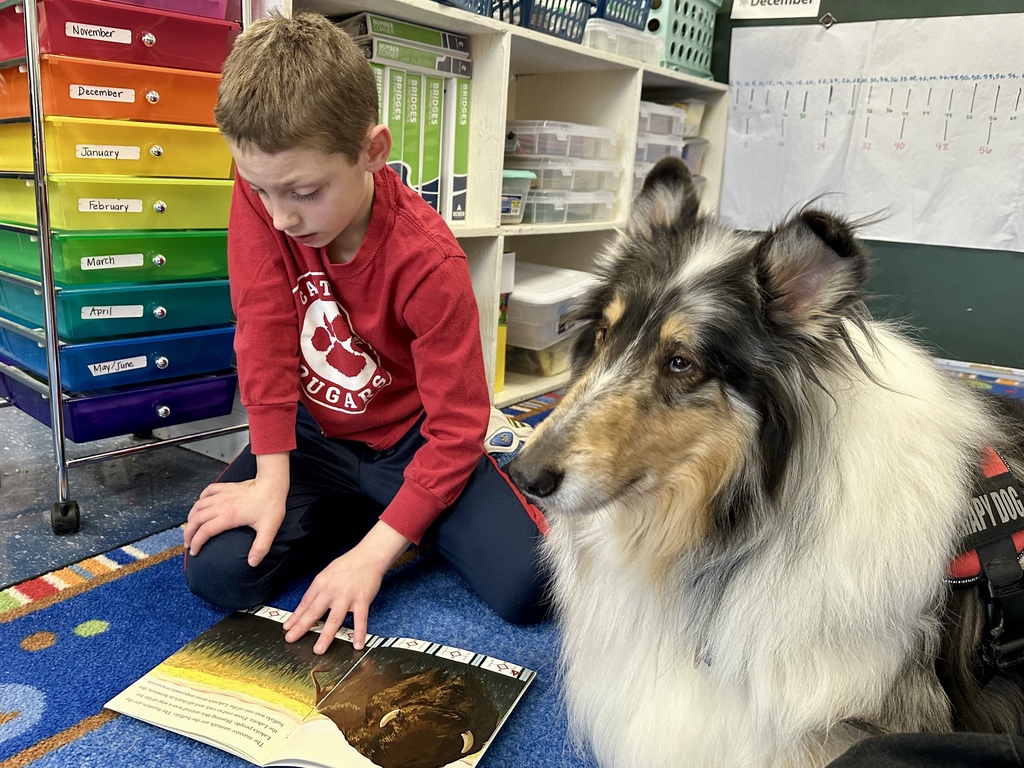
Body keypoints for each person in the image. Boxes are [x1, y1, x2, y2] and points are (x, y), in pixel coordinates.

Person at [182, 12, 549, 654]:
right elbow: (263, 328)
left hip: (409, 438)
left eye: (305, 191)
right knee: (219, 575)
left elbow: (456, 425)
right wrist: (271, 479)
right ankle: (364, 506)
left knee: (531, 585)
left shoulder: (428, 261)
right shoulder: (266, 194)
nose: (282, 217)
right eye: (261, 190)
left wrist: (375, 556)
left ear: (373, 151)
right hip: (314, 434)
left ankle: (392, 511)